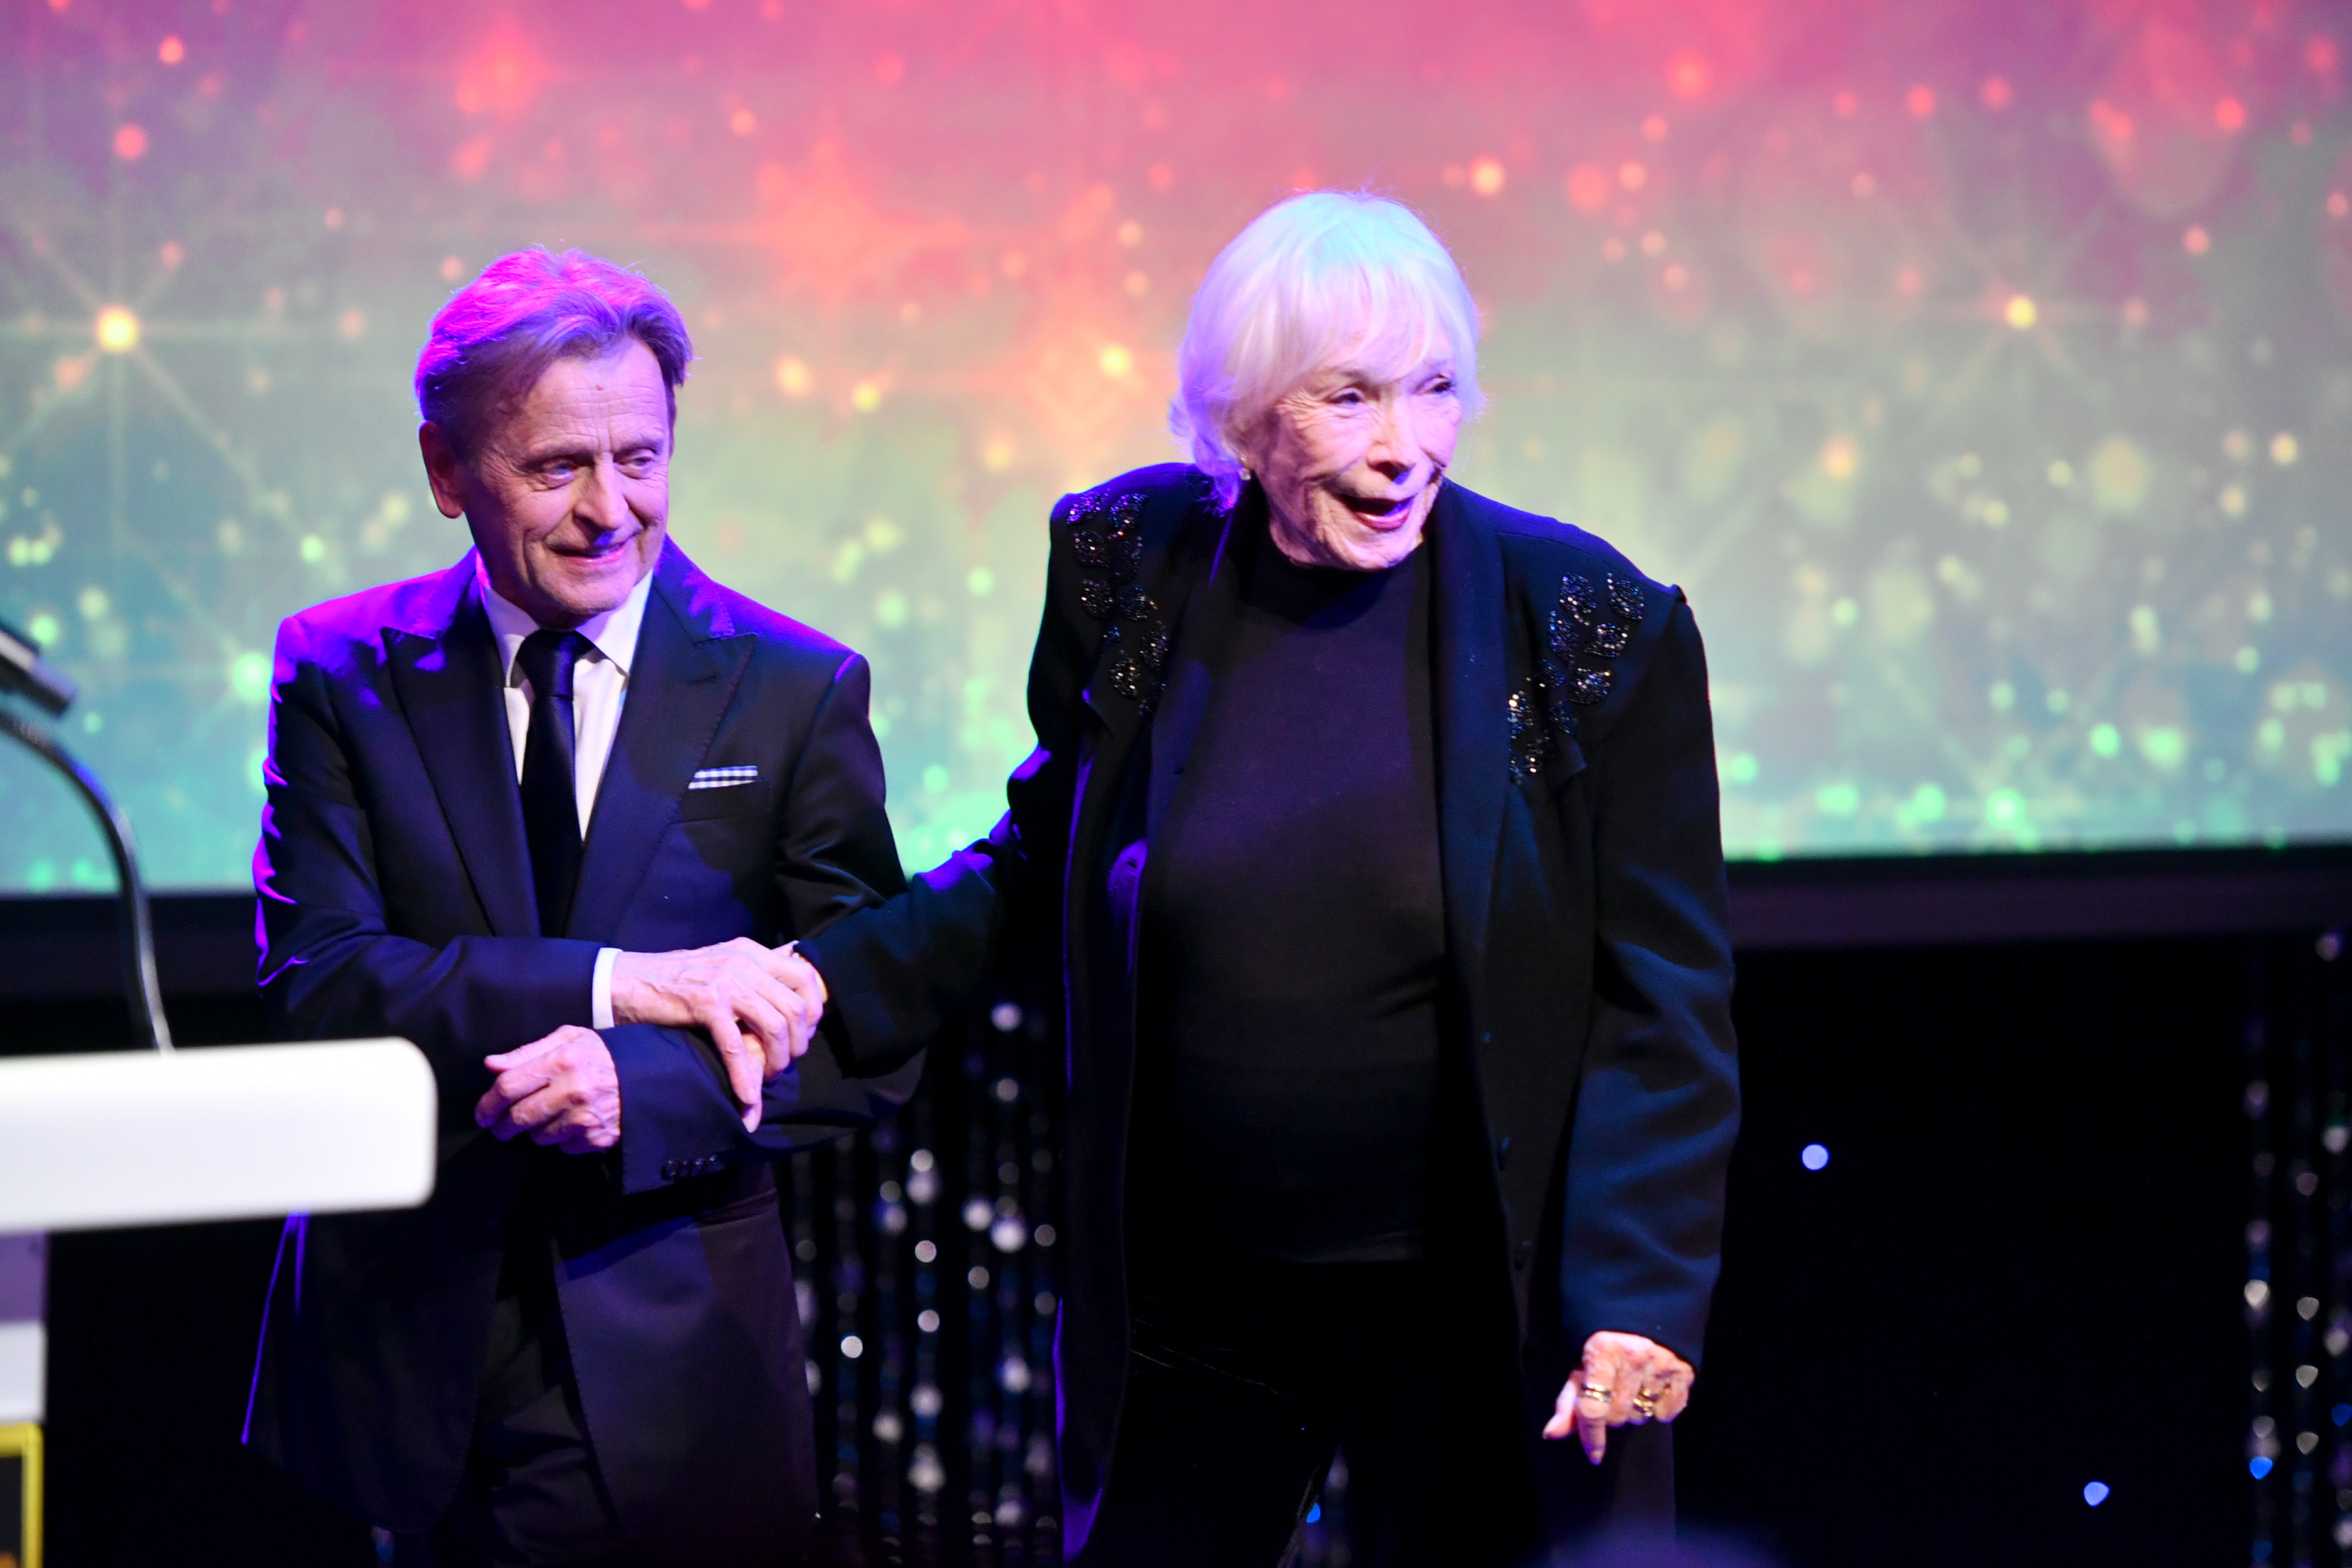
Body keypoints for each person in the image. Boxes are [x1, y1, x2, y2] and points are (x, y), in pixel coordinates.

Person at [778, 191, 1741, 1564]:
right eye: (1346, 399)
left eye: (1432, 391)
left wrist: (1634, 1297)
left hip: (1472, 1311)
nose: (1401, 447)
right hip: (1197, 1302)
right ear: (1243, 412)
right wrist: (809, 987)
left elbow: (1661, 993)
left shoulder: (1587, 622)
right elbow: (1038, 856)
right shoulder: (1134, 567)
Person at [244, 248, 918, 1567]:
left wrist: (641, 1085)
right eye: (557, 467)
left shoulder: (792, 687)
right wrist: (613, 982)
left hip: (673, 1366)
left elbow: (866, 1031)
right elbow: (315, 982)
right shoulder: (338, 670)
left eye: (642, 458)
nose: (612, 509)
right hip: (394, 1359)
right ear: (446, 473)